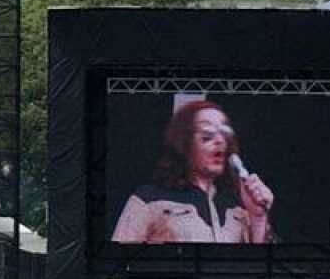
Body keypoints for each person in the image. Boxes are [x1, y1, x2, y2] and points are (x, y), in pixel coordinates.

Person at [111, 100, 275, 244]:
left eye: (224, 134)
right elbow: (117, 262)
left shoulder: (239, 206)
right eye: (207, 136)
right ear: (185, 144)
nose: (219, 141)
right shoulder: (148, 199)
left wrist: (258, 218)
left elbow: (262, 270)